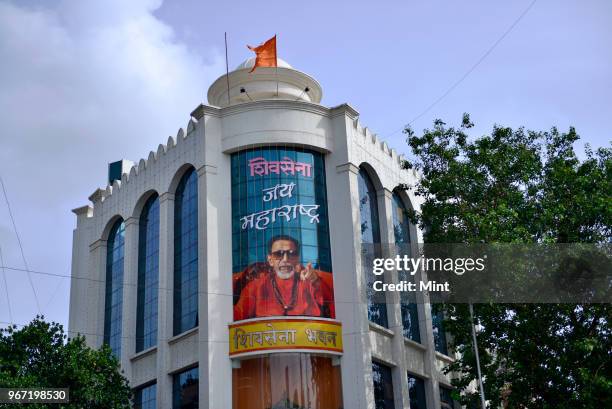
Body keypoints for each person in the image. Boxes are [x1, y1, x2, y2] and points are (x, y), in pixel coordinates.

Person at [233, 235, 335, 320]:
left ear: (297, 259)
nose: (285, 259)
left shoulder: (310, 281)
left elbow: (333, 307)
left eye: (291, 254)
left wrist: (316, 281)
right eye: (278, 254)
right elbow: (237, 317)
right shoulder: (256, 287)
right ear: (270, 260)